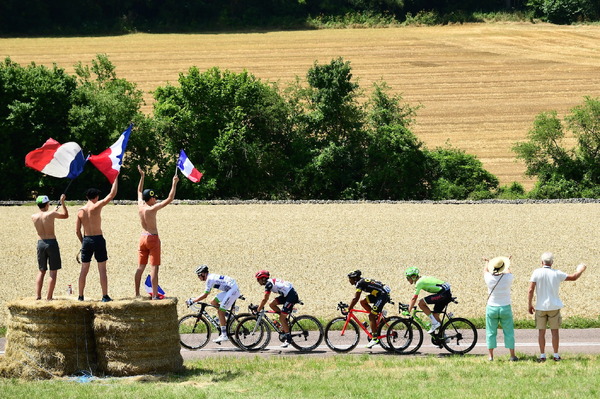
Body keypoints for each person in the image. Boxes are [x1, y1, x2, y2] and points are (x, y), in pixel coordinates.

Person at [528, 252, 587, 362]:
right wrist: (581, 269)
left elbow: (530, 290)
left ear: (542, 262)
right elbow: (573, 277)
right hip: (554, 307)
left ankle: (542, 355)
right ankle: (555, 355)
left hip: (540, 307)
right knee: (555, 332)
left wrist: (530, 304)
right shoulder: (557, 273)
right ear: (552, 263)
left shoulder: (536, 272)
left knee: (541, 332)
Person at [134, 165, 179, 299]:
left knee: (140, 267)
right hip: (152, 238)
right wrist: (174, 183)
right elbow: (170, 199)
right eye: (154, 198)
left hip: (142, 237)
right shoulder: (151, 209)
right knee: (154, 267)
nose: (156, 199)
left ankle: (136, 293)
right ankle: (154, 295)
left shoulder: (141, 206)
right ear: (150, 199)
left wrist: (142, 176)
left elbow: (139, 191)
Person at [75, 175, 118, 302]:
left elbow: (77, 231)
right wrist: (115, 177)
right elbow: (112, 194)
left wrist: (83, 242)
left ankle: (80, 296)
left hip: (87, 239)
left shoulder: (80, 211)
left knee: (84, 269)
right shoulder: (96, 206)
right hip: (98, 239)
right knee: (102, 269)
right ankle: (105, 296)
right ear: (96, 197)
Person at [186, 265, 241, 343]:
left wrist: (193, 301)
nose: (198, 277)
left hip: (232, 290)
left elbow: (205, 295)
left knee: (220, 312)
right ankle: (229, 316)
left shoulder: (209, 279)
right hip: (230, 289)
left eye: (199, 275)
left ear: (203, 274)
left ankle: (224, 335)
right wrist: (195, 300)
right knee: (213, 302)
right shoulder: (211, 277)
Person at [31, 194, 68, 300]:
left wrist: (52, 211)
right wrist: (63, 203)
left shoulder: (33, 217)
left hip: (40, 243)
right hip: (51, 242)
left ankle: (37, 296)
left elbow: (45, 216)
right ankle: (49, 297)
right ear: (47, 204)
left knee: (41, 270)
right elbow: (65, 215)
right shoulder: (51, 214)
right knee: (53, 270)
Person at [483, 256, 517, 361]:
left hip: (492, 307)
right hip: (505, 307)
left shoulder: (488, 278)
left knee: (491, 332)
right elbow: (508, 271)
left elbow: (485, 270)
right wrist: (507, 261)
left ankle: (491, 356)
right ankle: (512, 355)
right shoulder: (507, 278)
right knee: (509, 332)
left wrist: (488, 262)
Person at [347, 270, 391, 349]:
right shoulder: (361, 281)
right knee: (363, 302)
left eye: (350, 278)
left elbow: (356, 298)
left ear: (354, 278)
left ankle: (374, 338)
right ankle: (377, 316)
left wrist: (349, 308)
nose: (349, 280)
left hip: (382, 295)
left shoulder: (359, 283)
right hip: (378, 294)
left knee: (371, 316)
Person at [254, 270, 300, 348]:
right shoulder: (269, 282)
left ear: (263, 279)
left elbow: (265, 299)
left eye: (258, 279)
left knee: (281, 317)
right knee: (272, 304)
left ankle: (288, 339)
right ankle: (284, 322)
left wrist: (258, 309)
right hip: (287, 295)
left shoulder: (268, 284)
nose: (257, 281)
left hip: (291, 296)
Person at [404, 267, 452, 334]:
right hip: (445, 293)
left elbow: (414, 298)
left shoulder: (419, 282)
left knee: (421, 303)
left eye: (408, 278)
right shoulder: (422, 279)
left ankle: (434, 323)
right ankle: (443, 336)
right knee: (435, 315)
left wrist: (408, 310)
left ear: (413, 277)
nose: (407, 280)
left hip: (443, 294)